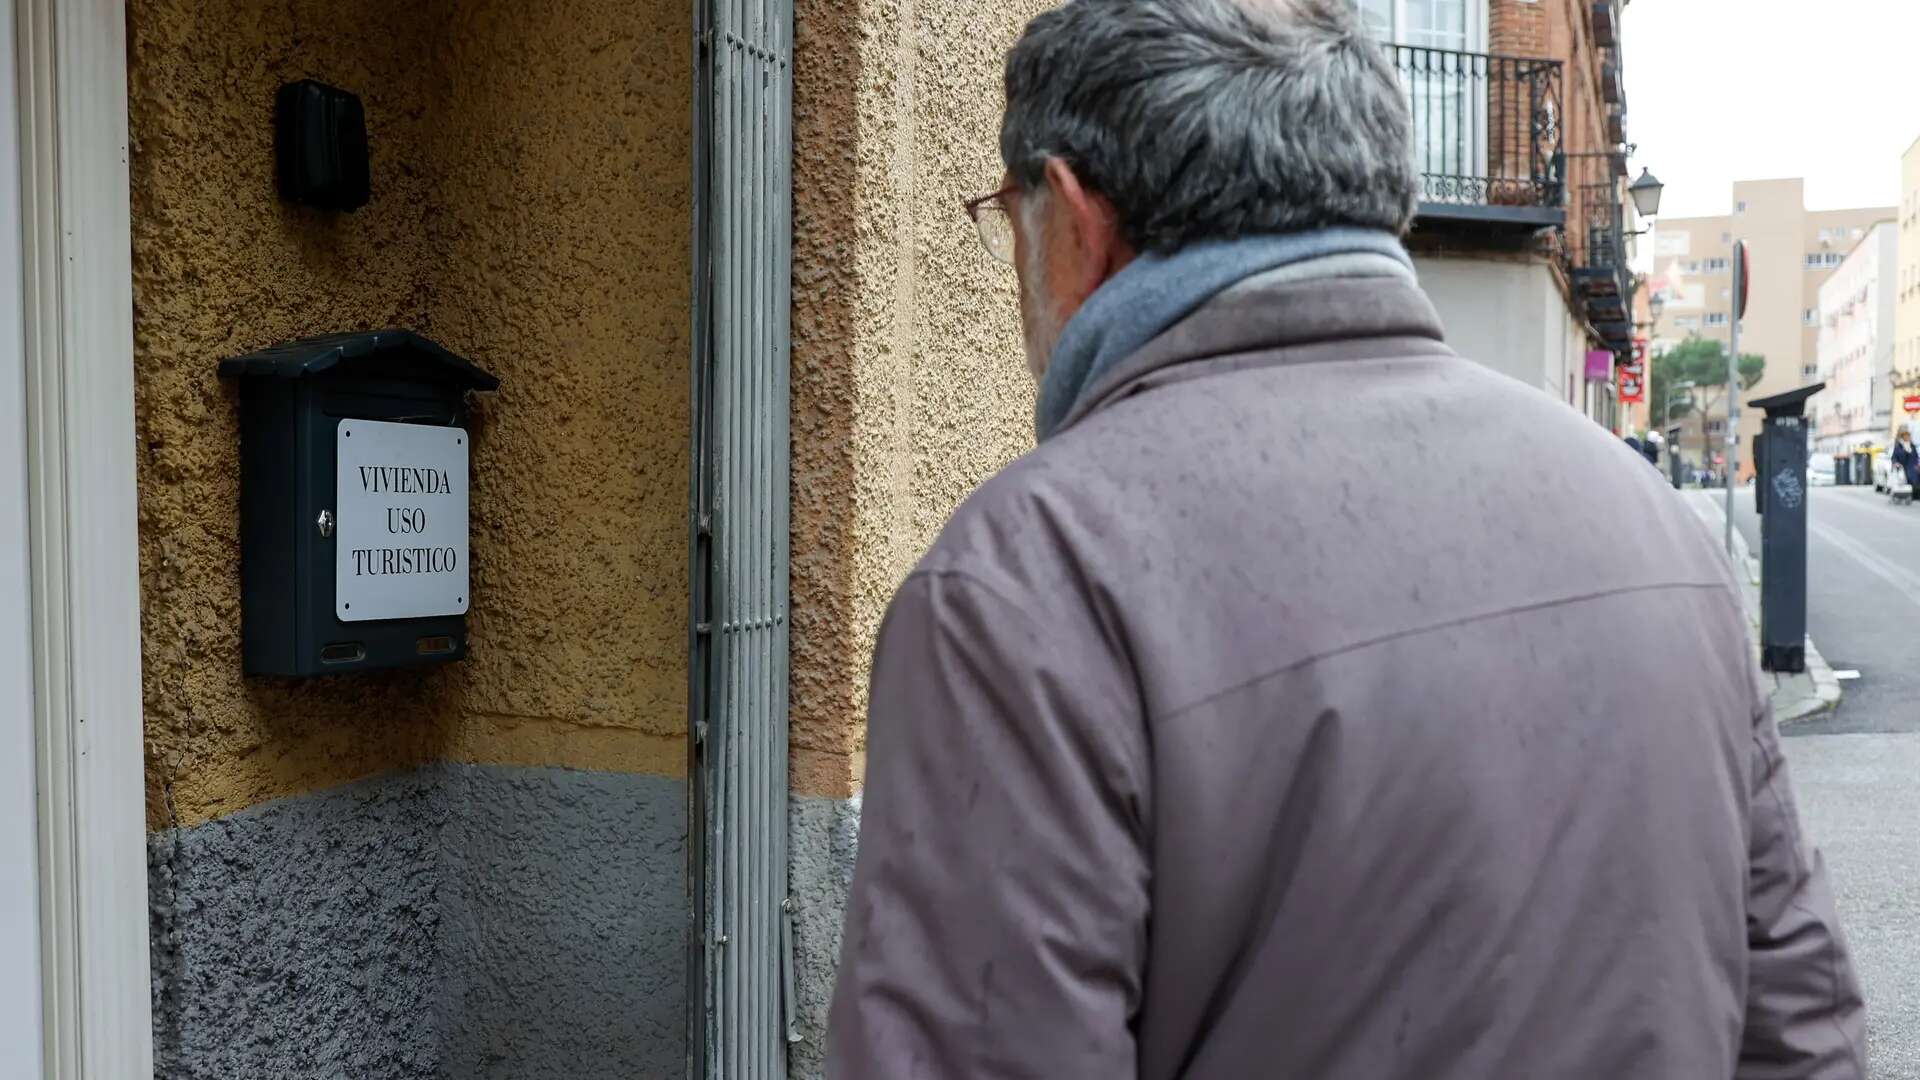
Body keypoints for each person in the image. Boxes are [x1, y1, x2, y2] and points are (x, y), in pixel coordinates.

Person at [826, 1, 1865, 1077]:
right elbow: (1798, 1025)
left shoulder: (1024, 585)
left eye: (1009, 213)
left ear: (1079, 221)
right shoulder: (1655, 525)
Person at [1893, 428, 1917, 492]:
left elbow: (1915, 457)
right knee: (1903, 485)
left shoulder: (1912, 446)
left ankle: (1914, 494)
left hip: (1912, 469)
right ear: (1902, 437)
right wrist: (1895, 463)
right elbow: (1894, 457)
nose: (1907, 437)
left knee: (1913, 482)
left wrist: (1917, 465)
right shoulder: (1898, 446)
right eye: (1905, 436)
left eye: (1908, 436)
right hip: (1902, 468)